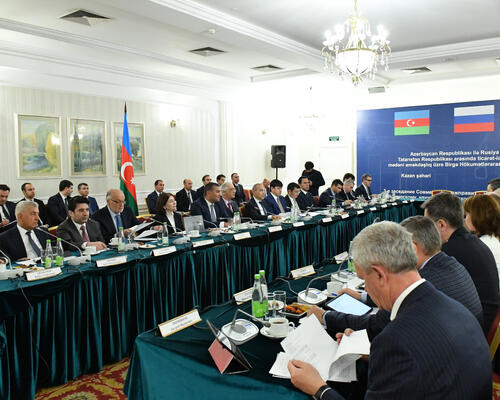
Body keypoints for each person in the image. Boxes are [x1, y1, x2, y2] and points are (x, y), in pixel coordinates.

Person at [289, 221, 491, 400]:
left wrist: (319, 388)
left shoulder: (395, 342)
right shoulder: (455, 308)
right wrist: (374, 356)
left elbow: (407, 350)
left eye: (364, 280)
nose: (366, 290)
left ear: (379, 274)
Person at [311, 215, 483, 339]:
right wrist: (362, 296)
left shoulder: (424, 285)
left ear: (412, 248)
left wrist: (326, 317)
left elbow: (379, 325)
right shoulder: (447, 264)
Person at [422, 192, 499, 334]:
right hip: (483, 322)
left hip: (477, 330)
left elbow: (421, 291)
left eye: (427, 225)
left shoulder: (450, 251)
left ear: (441, 224)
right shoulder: (470, 242)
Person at [464, 194, 500, 288]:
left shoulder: (480, 245)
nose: (465, 219)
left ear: (476, 216)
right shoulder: (493, 240)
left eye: (467, 214)